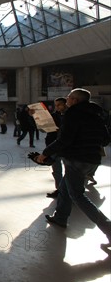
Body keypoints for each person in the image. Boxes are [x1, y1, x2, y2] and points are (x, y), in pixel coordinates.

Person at [36, 88, 111, 250]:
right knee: (65, 187)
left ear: (75, 100)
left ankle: (108, 229)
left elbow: (65, 140)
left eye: (69, 98)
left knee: (78, 196)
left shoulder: (73, 114)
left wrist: (45, 153)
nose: (67, 100)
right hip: (92, 160)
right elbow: (105, 140)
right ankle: (61, 217)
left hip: (76, 159)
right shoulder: (97, 115)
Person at [44, 97, 67, 198]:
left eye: (59, 105)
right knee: (57, 170)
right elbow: (43, 129)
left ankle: (68, 190)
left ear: (65, 104)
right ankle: (60, 190)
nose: (57, 107)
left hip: (66, 147)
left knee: (70, 170)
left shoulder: (71, 116)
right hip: (53, 145)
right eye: (56, 105)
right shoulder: (52, 116)